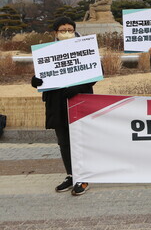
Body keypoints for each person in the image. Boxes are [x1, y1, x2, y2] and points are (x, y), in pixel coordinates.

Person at [30, 17, 95, 196]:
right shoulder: (46, 52)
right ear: (55, 33)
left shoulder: (84, 48)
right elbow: (41, 76)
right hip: (56, 103)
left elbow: (97, 73)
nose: (66, 32)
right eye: (62, 30)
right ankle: (71, 175)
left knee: (80, 141)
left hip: (79, 100)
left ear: (74, 30)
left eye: (69, 29)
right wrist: (35, 81)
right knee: (64, 142)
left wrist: (77, 87)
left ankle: (83, 177)